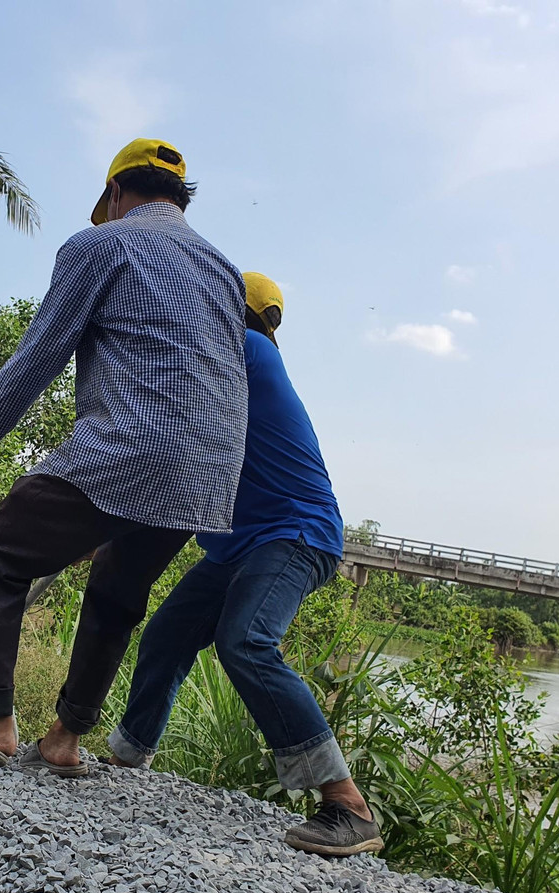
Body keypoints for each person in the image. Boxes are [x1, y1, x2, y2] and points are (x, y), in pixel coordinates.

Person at [0, 138, 249, 776]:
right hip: (210, 469)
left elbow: (41, 353)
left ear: (114, 194)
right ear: (178, 198)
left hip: (132, 446)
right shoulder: (224, 270)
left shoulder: (100, 244)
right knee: (117, 590)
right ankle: (65, 739)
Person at [107, 274, 382, 856]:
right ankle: (127, 757)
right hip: (240, 547)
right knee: (166, 636)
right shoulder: (232, 372)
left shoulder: (246, 351)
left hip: (294, 533)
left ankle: (348, 804)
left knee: (248, 641)